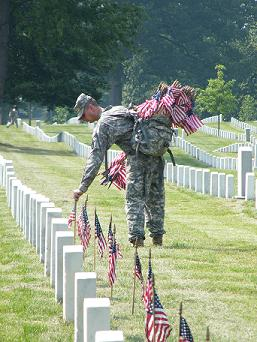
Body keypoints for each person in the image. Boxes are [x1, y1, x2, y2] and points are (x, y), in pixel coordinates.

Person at [73, 93, 167, 247]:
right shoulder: (119, 109)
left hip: (138, 159)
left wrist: (82, 187)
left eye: (83, 115)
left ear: (90, 107)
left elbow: (96, 157)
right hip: (156, 156)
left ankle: (137, 239)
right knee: (155, 198)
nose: (84, 119)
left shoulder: (103, 124)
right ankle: (158, 238)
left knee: (134, 198)